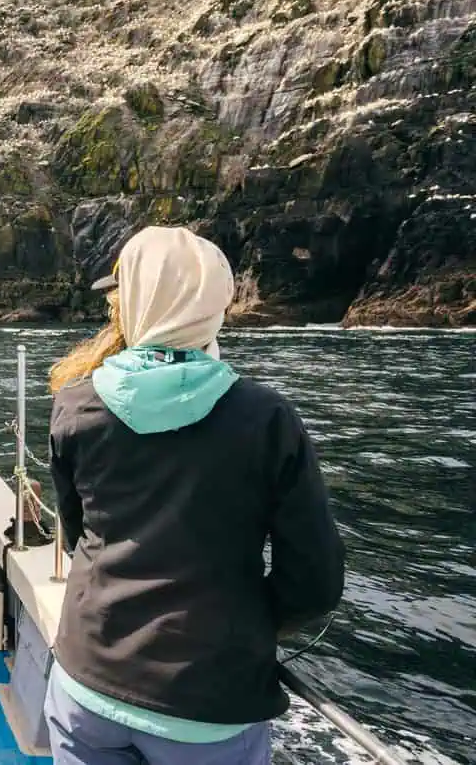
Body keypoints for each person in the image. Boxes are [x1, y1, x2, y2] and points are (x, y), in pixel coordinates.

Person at [44, 226, 346, 765]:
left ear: (134, 300)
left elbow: (76, 536)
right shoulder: (267, 420)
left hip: (86, 683)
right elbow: (315, 583)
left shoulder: (74, 405)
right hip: (206, 705)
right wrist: (239, 625)